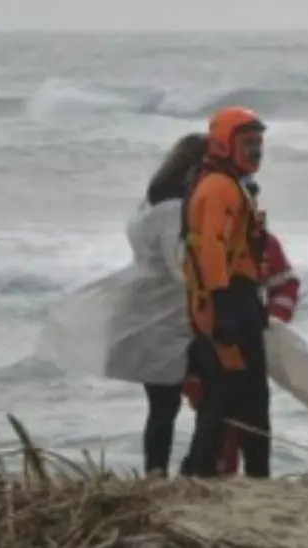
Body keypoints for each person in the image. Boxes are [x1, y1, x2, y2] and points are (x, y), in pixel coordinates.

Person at [180, 177, 301, 476]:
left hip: (244, 334)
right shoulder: (201, 244)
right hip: (205, 338)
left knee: (248, 408)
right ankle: (211, 472)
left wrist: (273, 320)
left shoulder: (263, 243)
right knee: (217, 407)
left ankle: (252, 476)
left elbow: (285, 284)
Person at [180, 106, 273, 478]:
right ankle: (215, 470)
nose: (256, 151)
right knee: (236, 393)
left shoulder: (230, 184)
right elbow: (211, 248)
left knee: (236, 392)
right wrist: (224, 307)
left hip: (235, 297)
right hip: (225, 300)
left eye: (258, 143)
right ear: (223, 144)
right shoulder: (219, 188)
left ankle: (220, 470)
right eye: (248, 143)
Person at [125, 133, 207, 476]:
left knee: (160, 405)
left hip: (147, 309)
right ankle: (194, 468)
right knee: (205, 397)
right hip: (174, 316)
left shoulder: (149, 203)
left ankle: (155, 474)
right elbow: (180, 268)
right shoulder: (175, 208)